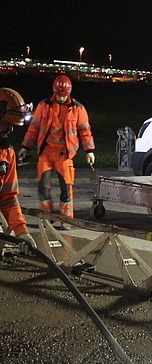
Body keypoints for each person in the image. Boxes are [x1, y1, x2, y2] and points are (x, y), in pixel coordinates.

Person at [18, 75, 95, 221]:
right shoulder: (44, 106)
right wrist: (25, 147)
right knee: (43, 187)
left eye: (63, 95)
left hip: (64, 155)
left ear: (69, 92)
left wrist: (89, 150)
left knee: (66, 189)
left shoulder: (78, 109)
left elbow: (85, 131)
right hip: (46, 153)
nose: (60, 98)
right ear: (54, 91)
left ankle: (67, 219)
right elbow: (33, 129)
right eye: (58, 95)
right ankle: (47, 218)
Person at [0, 87, 36, 250]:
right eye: (7, 124)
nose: (11, 129)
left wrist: (22, 232)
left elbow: (8, 199)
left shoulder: (7, 154)